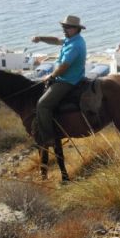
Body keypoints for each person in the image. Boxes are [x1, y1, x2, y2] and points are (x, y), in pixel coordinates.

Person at [31, 15, 88, 146]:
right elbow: (56, 40)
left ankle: (48, 138)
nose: (64, 29)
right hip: (69, 76)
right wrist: (40, 38)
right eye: (63, 26)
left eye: (67, 27)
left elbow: (64, 67)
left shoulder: (74, 45)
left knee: (42, 105)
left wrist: (51, 76)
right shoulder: (73, 39)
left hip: (67, 81)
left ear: (76, 28)